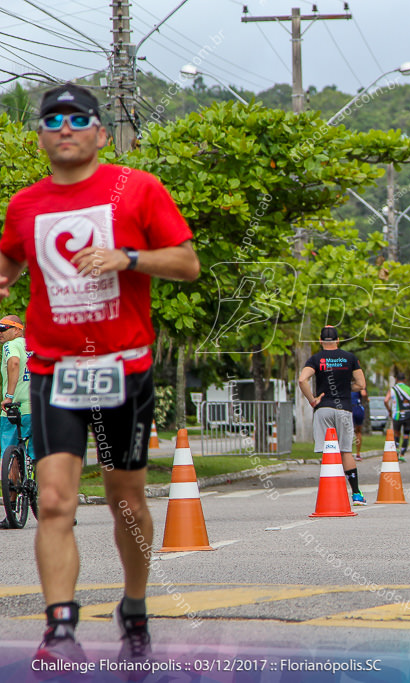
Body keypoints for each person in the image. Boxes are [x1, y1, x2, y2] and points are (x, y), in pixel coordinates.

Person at [0, 83, 201, 665]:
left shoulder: (136, 190)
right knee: (57, 500)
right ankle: (60, 627)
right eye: (53, 119)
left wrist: (128, 257)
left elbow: (187, 262)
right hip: (53, 368)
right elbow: (12, 255)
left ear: (100, 133)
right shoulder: (25, 204)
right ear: (39, 137)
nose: (65, 127)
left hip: (124, 369)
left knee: (127, 503)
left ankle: (133, 605)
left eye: (78, 118)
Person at [298, 325, 367, 505]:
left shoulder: (316, 359)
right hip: (344, 408)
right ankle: (357, 494)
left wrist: (312, 399)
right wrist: (346, 388)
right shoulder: (350, 358)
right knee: (346, 451)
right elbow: (361, 384)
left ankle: (330, 495)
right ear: (338, 340)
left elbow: (302, 379)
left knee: (327, 452)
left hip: (323, 409)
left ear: (320, 341)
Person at [0, 314, 33, 529]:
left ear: (17, 329)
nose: (0, 333)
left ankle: (12, 507)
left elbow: (14, 363)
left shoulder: (11, 346)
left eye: (4, 328)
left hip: (16, 408)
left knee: (9, 455)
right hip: (39, 408)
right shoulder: (36, 346)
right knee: (42, 457)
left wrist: (9, 396)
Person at [385, 371, 410, 462]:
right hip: (408, 414)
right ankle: (402, 454)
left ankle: (397, 449)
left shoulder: (392, 389)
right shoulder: (409, 389)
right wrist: (409, 403)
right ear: (405, 380)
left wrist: (389, 410)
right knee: (406, 434)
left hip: (397, 414)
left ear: (396, 379)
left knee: (396, 433)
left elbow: (385, 400)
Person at [350, 387, 368, 461]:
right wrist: (367, 399)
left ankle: (347, 453)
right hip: (357, 408)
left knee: (347, 431)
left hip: (348, 407)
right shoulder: (359, 385)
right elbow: (364, 394)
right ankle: (358, 454)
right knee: (358, 431)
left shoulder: (345, 382)